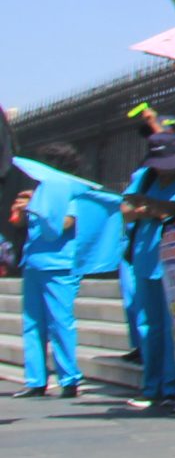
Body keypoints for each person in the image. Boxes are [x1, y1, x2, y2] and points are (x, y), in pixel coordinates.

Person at [120, 123, 175, 411]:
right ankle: (152, 385)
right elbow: (126, 210)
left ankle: (173, 385)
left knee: (173, 325)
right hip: (146, 257)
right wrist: (151, 208)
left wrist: (151, 207)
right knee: (148, 325)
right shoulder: (145, 176)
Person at [11, 144, 85, 398]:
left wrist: (39, 209)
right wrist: (23, 210)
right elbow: (23, 224)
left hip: (59, 265)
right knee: (32, 323)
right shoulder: (40, 191)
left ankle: (70, 378)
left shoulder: (72, 190)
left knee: (60, 321)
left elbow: (66, 223)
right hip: (33, 263)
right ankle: (35, 379)